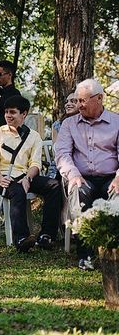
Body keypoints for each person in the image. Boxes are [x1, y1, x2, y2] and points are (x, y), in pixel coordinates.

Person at [55, 78, 119, 270]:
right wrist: (73, 174)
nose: (79, 105)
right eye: (77, 100)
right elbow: (63, 154)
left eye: (83, 100)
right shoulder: (69, 125)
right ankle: (86, 256)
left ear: (99, 98)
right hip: (82, 177)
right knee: (78, 192)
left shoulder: (117, 122)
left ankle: (113, 251)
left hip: (111, 177)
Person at [0, 95, 62, 252]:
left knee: (54, 185)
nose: (8, 115)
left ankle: (47, 235)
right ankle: (21, 239)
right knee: (17, 190)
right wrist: (0, 178)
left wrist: (28, 177)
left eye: (13, 112)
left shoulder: (33, 136)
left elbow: (35, 163)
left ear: (24, 114)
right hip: (1, 177)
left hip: (25, 175)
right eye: (6, 112)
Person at [47, 92, 78, 179]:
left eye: (73, 101)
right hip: (62, 164)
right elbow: (56, 151)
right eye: (67, 102)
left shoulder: (87, 123)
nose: (68, 104)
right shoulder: (57, 125)